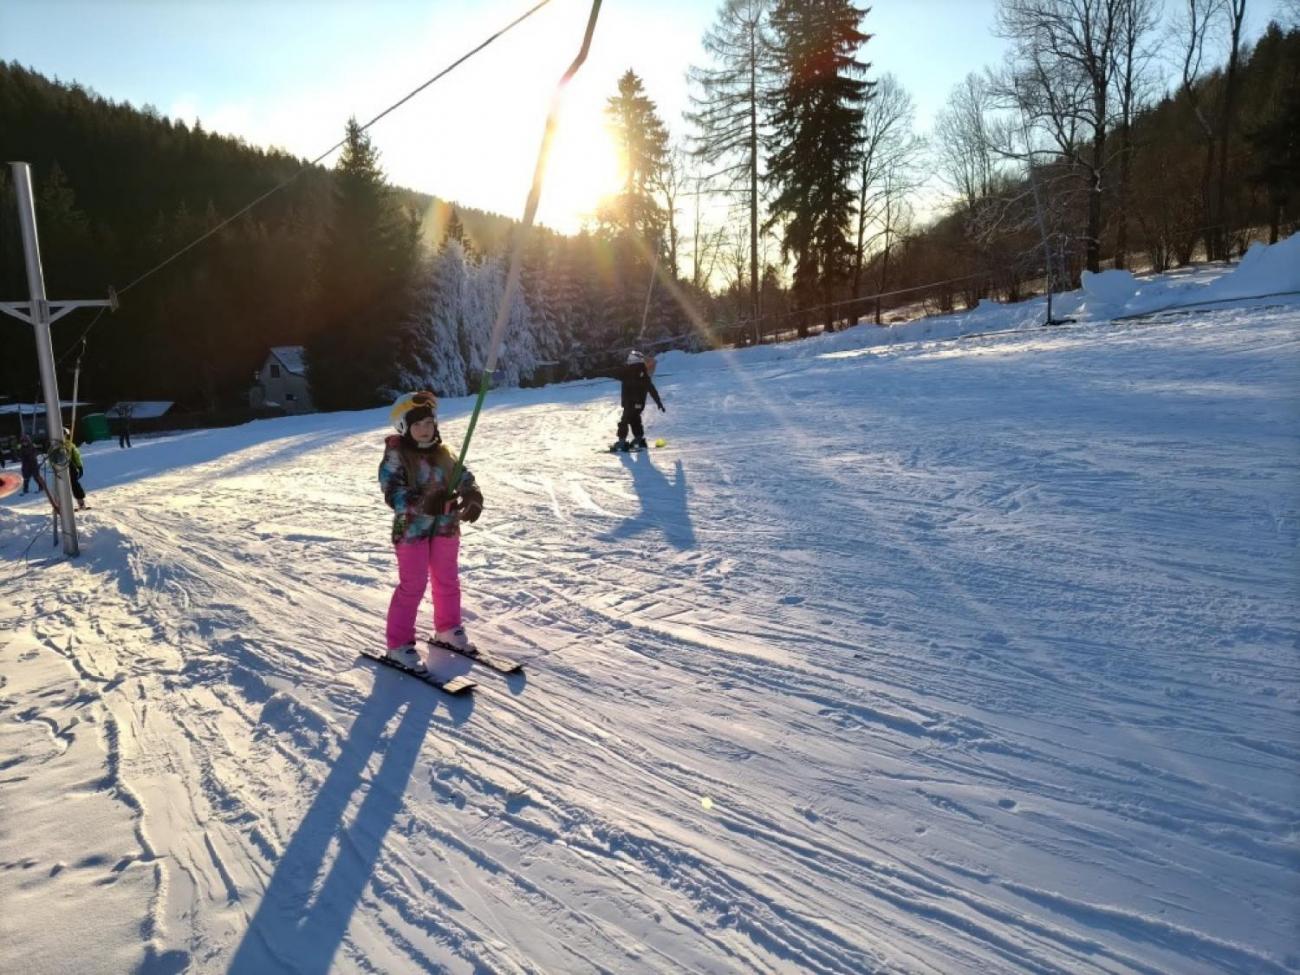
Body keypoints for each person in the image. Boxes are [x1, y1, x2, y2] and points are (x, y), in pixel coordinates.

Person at [378, 391, 485, 673]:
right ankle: (398, 644)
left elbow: (463, 475)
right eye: (417, 424)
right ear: (404, 426)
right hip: (409, 528)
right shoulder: (397, 455)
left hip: (445, 526)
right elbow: (393, 492)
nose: (425, 429)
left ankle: (448, 628)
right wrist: (423, 502)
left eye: (428, 422)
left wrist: (472, 493)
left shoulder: (444, 453)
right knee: (412, 585)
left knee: (447, 579)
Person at [610, 350, 665, 452]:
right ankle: (639, 440)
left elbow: (613, 372)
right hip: (640, 404)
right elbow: (651, 389)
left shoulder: (627, 372)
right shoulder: (644, 373)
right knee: (635, 420)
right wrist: (658, 402)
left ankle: (621, 442)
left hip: (630, 403)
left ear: (631, 360)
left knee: (624, 421)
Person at [63, 428, 88, 510]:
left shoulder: (69, 445)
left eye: (64, 435)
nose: (63, 436)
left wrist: (79, 466)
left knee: (74, 485)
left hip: (71, 467)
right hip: (61, 469)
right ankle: (63, 506)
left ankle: (81, 503)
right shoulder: (55, 445)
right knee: (62, 488)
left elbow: (76, 456)